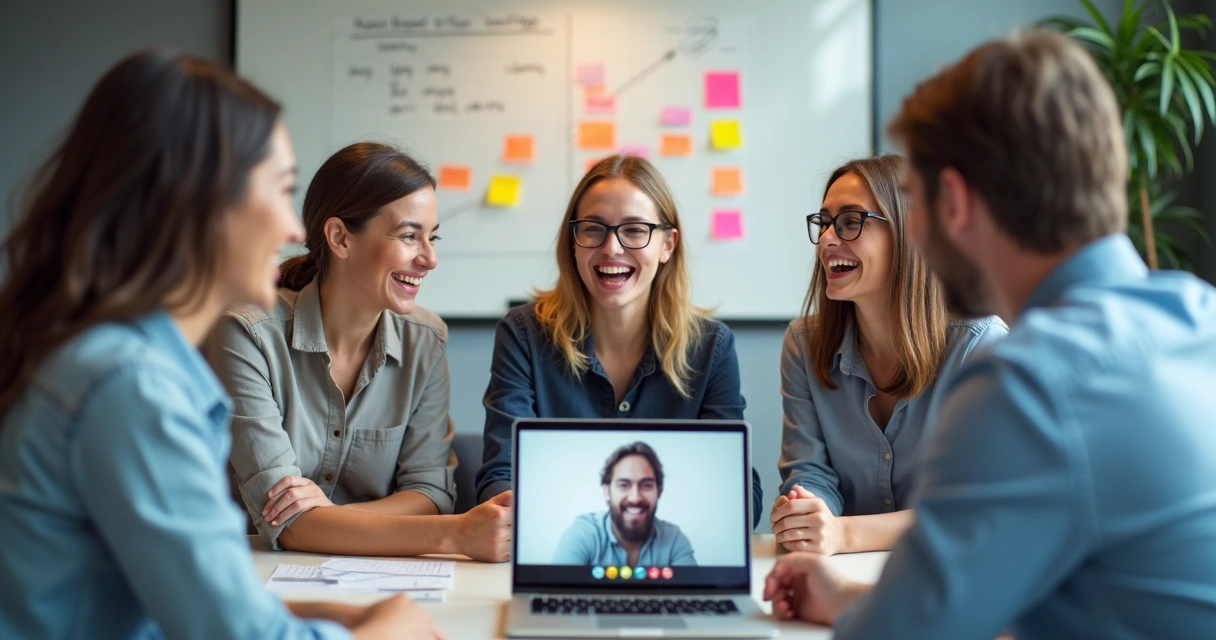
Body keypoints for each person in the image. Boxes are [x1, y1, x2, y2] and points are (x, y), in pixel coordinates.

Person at [764, 30, 1216, 639]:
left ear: (955, 201)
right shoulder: (1200, 318)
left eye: (917, 203)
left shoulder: (1028, 384)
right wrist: (848, 598)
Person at [0, 50, 439, 639]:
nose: (292, 230)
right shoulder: (132, 387)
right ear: (203, 205)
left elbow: (169, 600)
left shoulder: (126, 361)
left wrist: (330, 613)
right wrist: (388, 633)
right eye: (281, 191)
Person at [205, 142, 510, 561]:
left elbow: (430, 493)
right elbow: (286, 522)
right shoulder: (247, 335)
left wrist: (327, 520)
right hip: (253, 575)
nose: (430, 259)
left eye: (432, 237)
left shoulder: (426, 339)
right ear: (339, 238)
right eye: (409, 236)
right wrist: (454, 535)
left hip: (381, 577)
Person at [474, 154, 764, 528]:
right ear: (573, 242)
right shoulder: (523, 335)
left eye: (634, 229)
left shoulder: (712, 347)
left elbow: (739, 495)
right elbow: (501, 475)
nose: (611, 248)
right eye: (593, 228)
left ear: (667, 245)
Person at [771, 155, 1005, 555]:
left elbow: (976, 505)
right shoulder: (803, 344)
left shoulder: (978, 348)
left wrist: (843, 534)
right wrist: (807, 514)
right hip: (841, 574)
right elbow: (809, 471)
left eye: (850, 222)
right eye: (824, 222)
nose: (827, 239)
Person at [553, 442, 696, 567]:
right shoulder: (582, 534)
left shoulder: (674, 540)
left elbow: (692, 595)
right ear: (607, 491)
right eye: (624, 485)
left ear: (659, 492)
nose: (635, 498)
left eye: (646, 485)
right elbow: (555, 593)